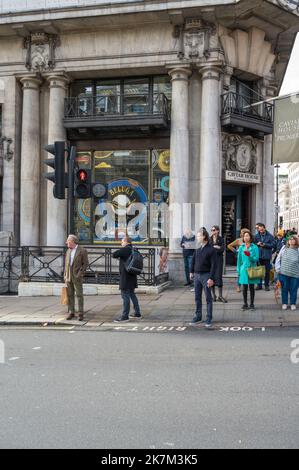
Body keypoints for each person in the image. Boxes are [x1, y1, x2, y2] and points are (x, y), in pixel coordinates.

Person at [190, 228, 217, 328]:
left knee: (208, 298)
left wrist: (211, 278)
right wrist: (191, 271)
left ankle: (209, 317)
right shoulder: (198, 249)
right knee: (197, 297)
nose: (197, 238)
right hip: (197, 275)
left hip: (206, 275)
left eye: (198, 236)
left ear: (204, 236)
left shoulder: (211, 249)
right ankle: (198, 316)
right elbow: (193, 260)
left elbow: (214, 265)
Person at [112, 236, 142, 322]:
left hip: (125, 276)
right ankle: (137, 313)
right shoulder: (134, 249)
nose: (121, 243)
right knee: (132, 294)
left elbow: (114, 254)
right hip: (133, 275)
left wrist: (121, 250)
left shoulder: (125, 249)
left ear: (126, 242)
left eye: (122, 242)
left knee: (125, 295)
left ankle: (125, 316)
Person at [64, 234, 89, 321]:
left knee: (79, 295)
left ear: (72, 241)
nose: (66, 242)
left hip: (77, 276)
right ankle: (71, 312)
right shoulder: (68, 251)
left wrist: (80, 274)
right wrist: (65, 275)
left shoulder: (82, 250)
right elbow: (66, 264)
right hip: (69, 276)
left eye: (68, 241)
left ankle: (80, 313)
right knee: (70, 295)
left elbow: (85, 264)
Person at [275, 235, 299, 311]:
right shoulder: (284, 248)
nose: (291, 241)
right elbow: (278, 259)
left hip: (295, 273)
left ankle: (293, 303)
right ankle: (284, 303)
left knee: (294, 289)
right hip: (284, 272)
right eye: (290, 239)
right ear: (288, 241)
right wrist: (277, 269)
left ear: (296, 241)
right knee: (284, 289)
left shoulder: (298, 249)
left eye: (293, 239)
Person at [237, 231, 260, 310]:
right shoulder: (241, 247)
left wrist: (249, 255)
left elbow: (256, 259)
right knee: (244, 287)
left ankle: (252, 304)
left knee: (251, 287)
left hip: (252, 268)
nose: (246, 237)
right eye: (244, 236)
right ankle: (245, 303)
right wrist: (238, 270)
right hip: (243, 269)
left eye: (247, 236)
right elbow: (239, 260)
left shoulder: (255, 247)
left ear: (250, 237)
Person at [227, 227, 250, 292]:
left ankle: (247, 285)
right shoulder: (238, 240)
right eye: (241, 233)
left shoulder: (250, 240)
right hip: (241, 259)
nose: (241, 234)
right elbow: (229, 245)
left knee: (249, 272)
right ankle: (238, 286)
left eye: (243, 233)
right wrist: (236, 251)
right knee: (240, 272)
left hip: (249, 259)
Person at [254, 223, 275, 291]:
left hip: (266, 256)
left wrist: (265, 245)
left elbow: (273, 245)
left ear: (264, 228)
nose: (260, 231)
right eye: (259, 230)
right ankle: (259, 285)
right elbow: (253, 244)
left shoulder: (270, 236)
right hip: (259, 256)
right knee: (259, 271)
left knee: (267, 272)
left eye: (261, 229)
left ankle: (266, 285)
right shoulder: (256, 236)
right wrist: (257, 244)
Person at [209, 225, 227, 302]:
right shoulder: (209, 239)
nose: (213, 231)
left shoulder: (221, 239)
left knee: (219, 277)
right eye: (212, 230)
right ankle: (214, 296)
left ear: (218, 231)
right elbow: (208, 249)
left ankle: (220, 296)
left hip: (219, 260)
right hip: (210, 260)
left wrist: (217, 248)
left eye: (214, 230)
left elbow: (222, 249)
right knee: (211, 277)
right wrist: (216, 247)